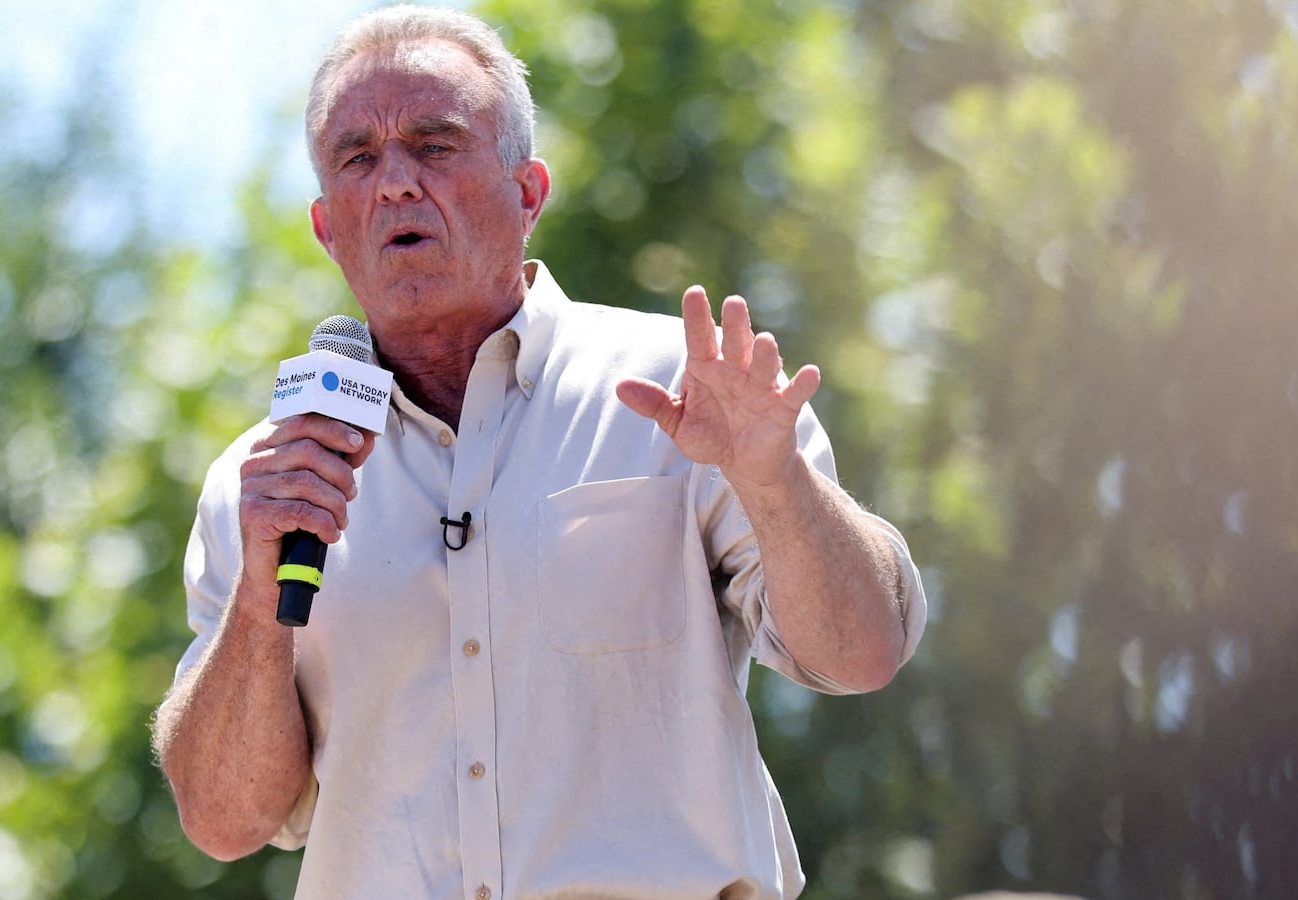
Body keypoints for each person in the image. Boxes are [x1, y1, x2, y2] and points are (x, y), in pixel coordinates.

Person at [151, 6, 926, 899]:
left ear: (528, 194)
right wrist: (258, 602)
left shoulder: (683, 391)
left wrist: (775, 480)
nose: (396, 182)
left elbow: (863, 654)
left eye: (436, 145)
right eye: (359, 157)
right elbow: (222, 822)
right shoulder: (267, 484)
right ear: (329, 230)